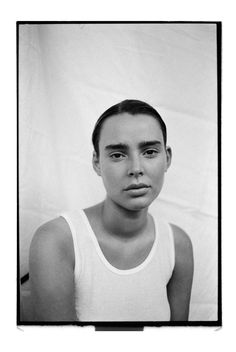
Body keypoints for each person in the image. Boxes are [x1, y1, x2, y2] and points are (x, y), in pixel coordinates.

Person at [29, 99, 194, 322]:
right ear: (97, 163)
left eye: (150, 151)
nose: (136, 169)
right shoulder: (56, 241)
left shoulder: (178, 245)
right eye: (117, 155)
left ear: (167, 158)